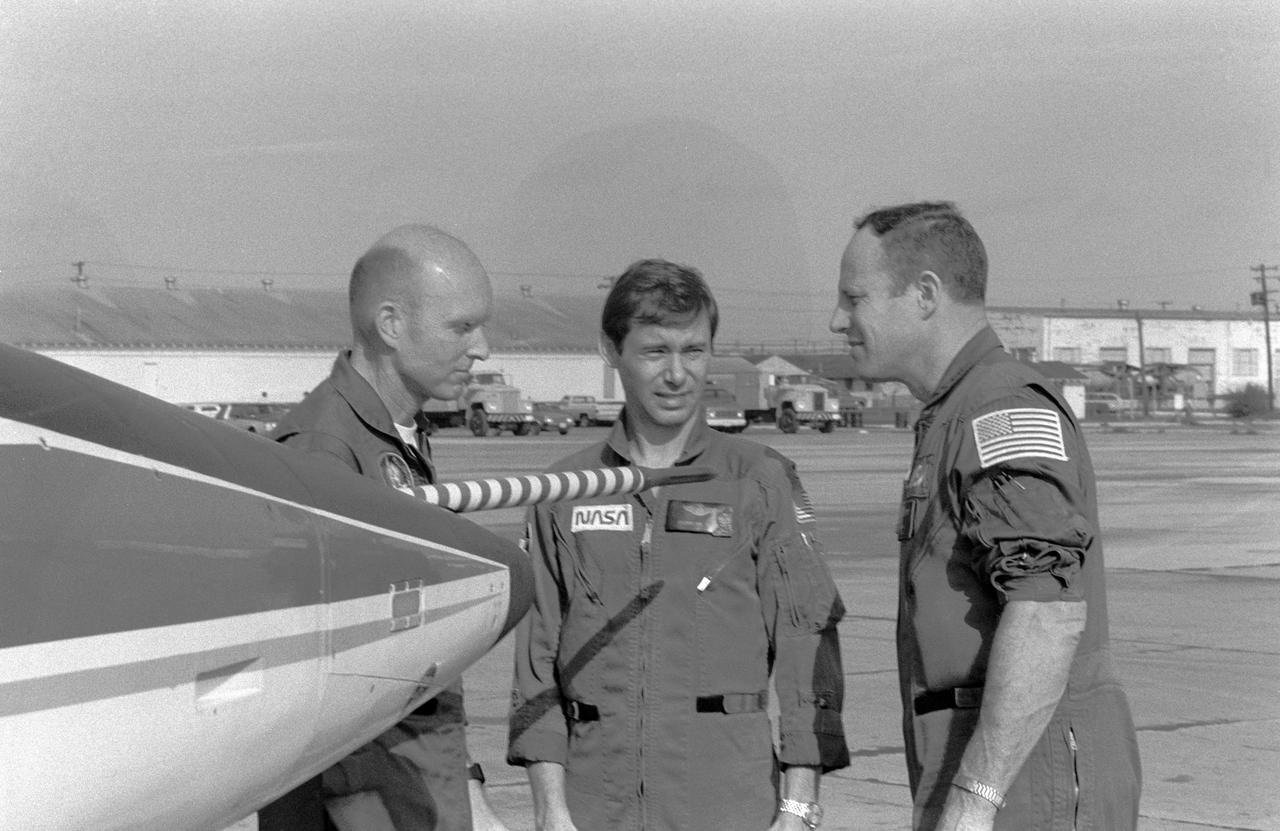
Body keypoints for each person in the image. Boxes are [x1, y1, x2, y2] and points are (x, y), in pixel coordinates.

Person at [828, 202, 1141, 830]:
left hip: (1028, 786)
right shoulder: (954, 413)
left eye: (854, 299)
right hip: (993, 772)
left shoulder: (999, 409)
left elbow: (1048, 612)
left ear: (923, 295)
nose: (838, 321)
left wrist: (974, 802)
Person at [507, 258, 849, 831]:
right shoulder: (562, 491)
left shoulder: (760, 481)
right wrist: (551, 810)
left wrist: (798, 806)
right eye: (654, 351)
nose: (676, 374)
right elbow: (536, 661)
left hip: (730, 805)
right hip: (596, 807)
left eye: (693, 351)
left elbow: (804, 644)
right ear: (610, 351)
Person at [259, 224, 510, 831]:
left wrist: (468, 791)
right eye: (461, 327)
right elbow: (323, 677)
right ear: (391, 325)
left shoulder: (399, 435)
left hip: (416, 777)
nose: (482, 348)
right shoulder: (324, 450)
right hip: (360, 797)